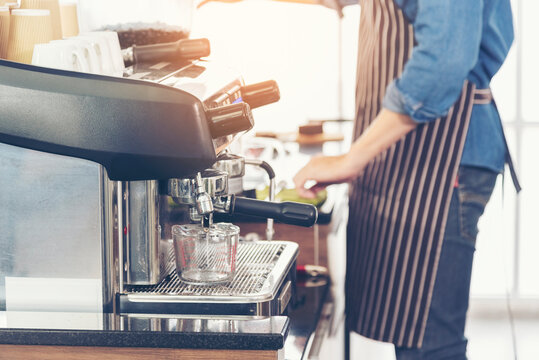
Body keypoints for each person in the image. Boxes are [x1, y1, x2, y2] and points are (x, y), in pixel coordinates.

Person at [293, 0, 520, 359]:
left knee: (429, 346)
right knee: (416, 338)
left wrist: (352, 159)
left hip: (443, 157)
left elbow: (444, 58)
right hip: (418, 157)